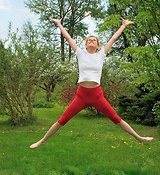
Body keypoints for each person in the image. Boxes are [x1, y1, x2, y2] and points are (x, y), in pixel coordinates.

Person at [30, 18, 153, 149]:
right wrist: (59, 24)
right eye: (89, 40)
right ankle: (42, 140)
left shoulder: (101, 55)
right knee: (62, 120)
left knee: (115, 118)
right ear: (86, 44)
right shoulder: (80, 54)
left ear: (98, 45)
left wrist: (123, 26)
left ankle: (138, 138)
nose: (91, 41)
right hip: (81, 95)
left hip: (96, 95)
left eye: (94, 40)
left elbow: (113, 39)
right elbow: (68, 37)